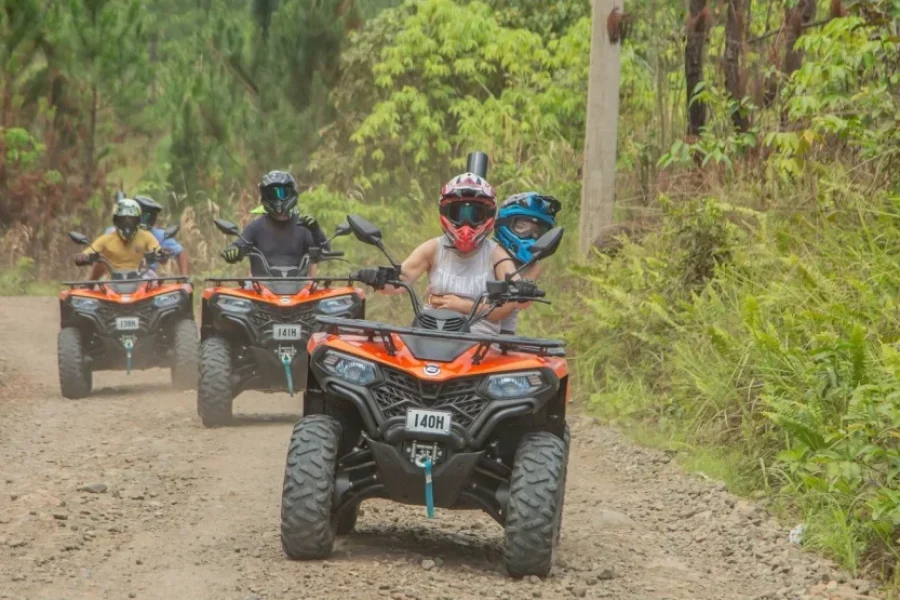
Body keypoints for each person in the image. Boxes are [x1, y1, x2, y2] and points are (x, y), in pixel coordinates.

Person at [355, 172, 524, 335]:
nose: (466, 224)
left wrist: (462, 305)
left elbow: (508, 306)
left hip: (480, 347)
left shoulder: (495, 253)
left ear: (488, 215)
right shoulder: (433, 248)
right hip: (431, 336)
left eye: (476, 214)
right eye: (458, 213)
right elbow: (400, 281)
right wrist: (379, 279)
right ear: (445, 212)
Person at [220, 170, 328, 276]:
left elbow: (325, 251)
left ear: (292, 193)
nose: (277, 199)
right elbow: (240, 243)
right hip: (259, 290)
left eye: (282, 193)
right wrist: (234, 250)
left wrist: (316, 231)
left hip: (299, 290)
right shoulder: (255, 227)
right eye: (272, 195)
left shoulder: (304, 227)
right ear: (264, 198)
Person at [492, 192, 561, 334]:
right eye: (522, 226)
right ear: (506, 222)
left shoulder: (534, 266)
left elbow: (519, 304)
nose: (530, 236)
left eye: (537, 231)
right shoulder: (486, 252)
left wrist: (462, 305)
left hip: (502, 335)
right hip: (463, 328)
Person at [103, 195, 189, 275]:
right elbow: (99, 256)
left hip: (146, 280)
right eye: (144, 216)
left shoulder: (159, 235)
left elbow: (181, 252)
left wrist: (184, 279)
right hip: (115, 278)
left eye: (151, 217)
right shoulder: (112, 232)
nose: (148, 220)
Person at [76, 198, 163, 278]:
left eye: (132, 220)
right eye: (123, 220)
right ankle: (89, 286)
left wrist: (162, 253)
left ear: (138, 221)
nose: (127, 224)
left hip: (140, 281)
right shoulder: (106, 239)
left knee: (159, 290)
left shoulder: (145, 236)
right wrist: (82, 257)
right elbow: (89, 251)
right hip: (113, 284)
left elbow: (157, 249)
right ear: (115, 221)